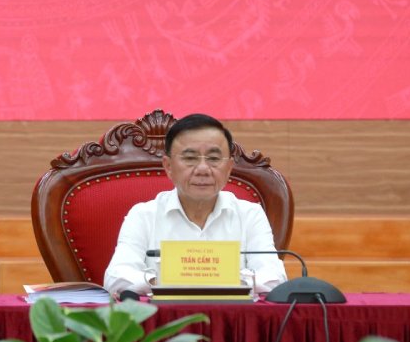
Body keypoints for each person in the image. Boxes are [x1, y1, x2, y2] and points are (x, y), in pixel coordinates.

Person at [103, 113, 286, 296]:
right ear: (168, 166)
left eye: (214, 159)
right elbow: (116, 277)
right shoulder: (143, 215)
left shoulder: (250, 214)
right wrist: (162, 281)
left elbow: (274, 278)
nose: (203, 169)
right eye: (190, 158)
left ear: (229, 167)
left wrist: (218, 280)